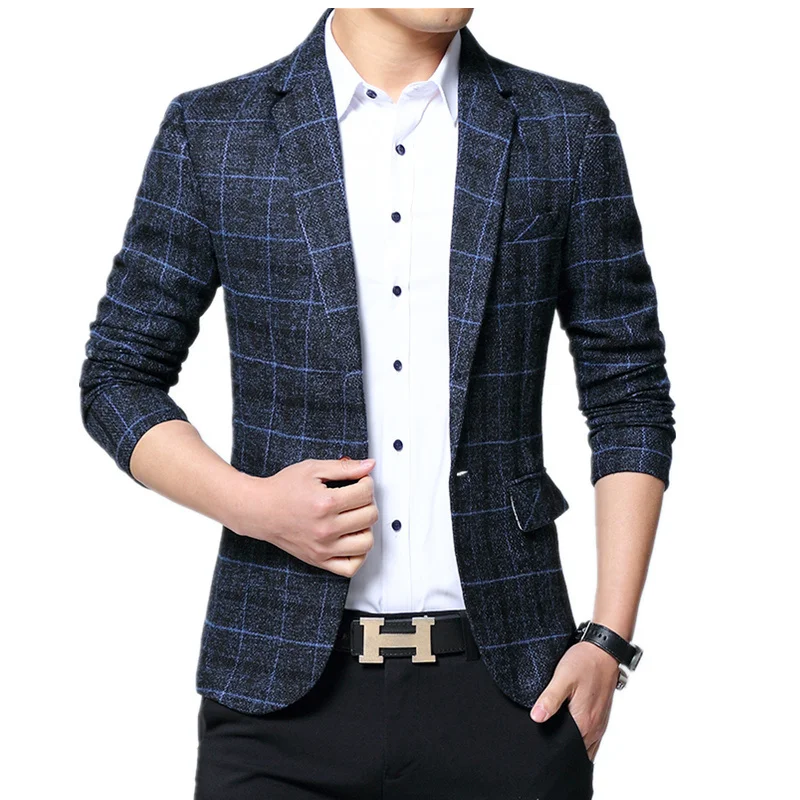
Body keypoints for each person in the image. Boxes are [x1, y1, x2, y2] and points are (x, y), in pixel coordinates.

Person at [79, 7, 676, 798]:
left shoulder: (563, 128)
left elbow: (628, 388)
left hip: (512, 693)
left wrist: (608, 640)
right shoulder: (216, 130)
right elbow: (118, 375)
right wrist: (253, 506)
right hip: (276, 699)